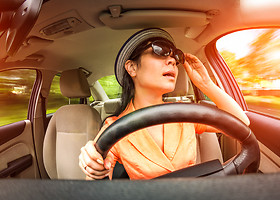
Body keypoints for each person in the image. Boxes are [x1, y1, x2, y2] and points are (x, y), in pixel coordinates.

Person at [79, 28, 249, 180]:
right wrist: (93, 164)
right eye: (159, 50)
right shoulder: (114, 128)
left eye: (175, 56)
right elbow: (96, 182)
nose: (173, 61)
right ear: (131, 68)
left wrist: (206, 84)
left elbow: (242, 123)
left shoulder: (188, 114)